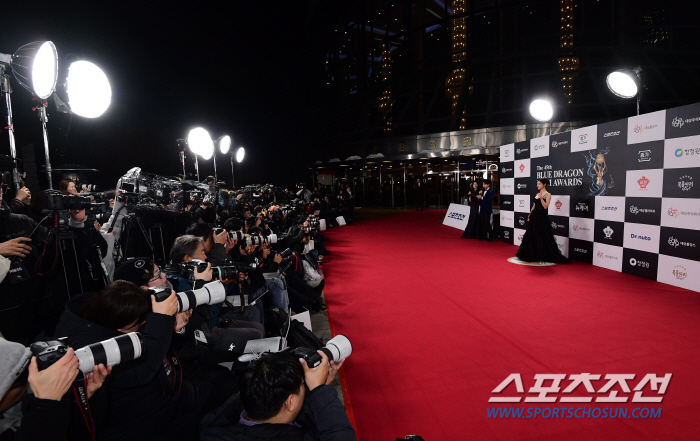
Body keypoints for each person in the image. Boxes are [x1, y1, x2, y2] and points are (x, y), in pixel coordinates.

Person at [200, 350, 355, 441]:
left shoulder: (220, 420)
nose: (306, 389)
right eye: (303, 386)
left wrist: (322, 386)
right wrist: (320, 391)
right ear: (289, 403)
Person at [516, 178, 569, 263]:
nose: (538, 185)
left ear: (544, 184)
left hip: (541, 217)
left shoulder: (548, 194)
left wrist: (541, 198)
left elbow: (545, 207)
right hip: (534, 216)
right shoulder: (537, 193)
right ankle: (533, 254)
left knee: (541, 235)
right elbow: (534, 206)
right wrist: (530, 214)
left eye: (539, 184)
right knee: (531, 235)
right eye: (537, 184)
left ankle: (542, 254)